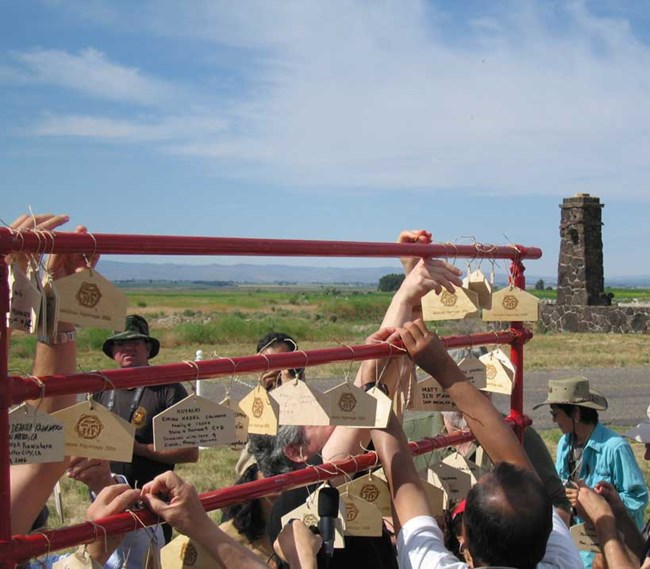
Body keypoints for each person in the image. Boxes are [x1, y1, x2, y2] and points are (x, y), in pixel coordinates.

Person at [372, 319, 583, 569]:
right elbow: (518, 468)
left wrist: (372, 386)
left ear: (466, 548)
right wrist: (446, 369)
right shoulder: (564, 562)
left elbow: (405, 489)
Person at [535, 376, 648, 568]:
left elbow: (638, 498)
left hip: (613, 551)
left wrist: (597, 503)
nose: (553, 420)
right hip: (578, 548)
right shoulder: (564, 444)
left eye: (556, 413)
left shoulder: (615, 447)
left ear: (576, 413)